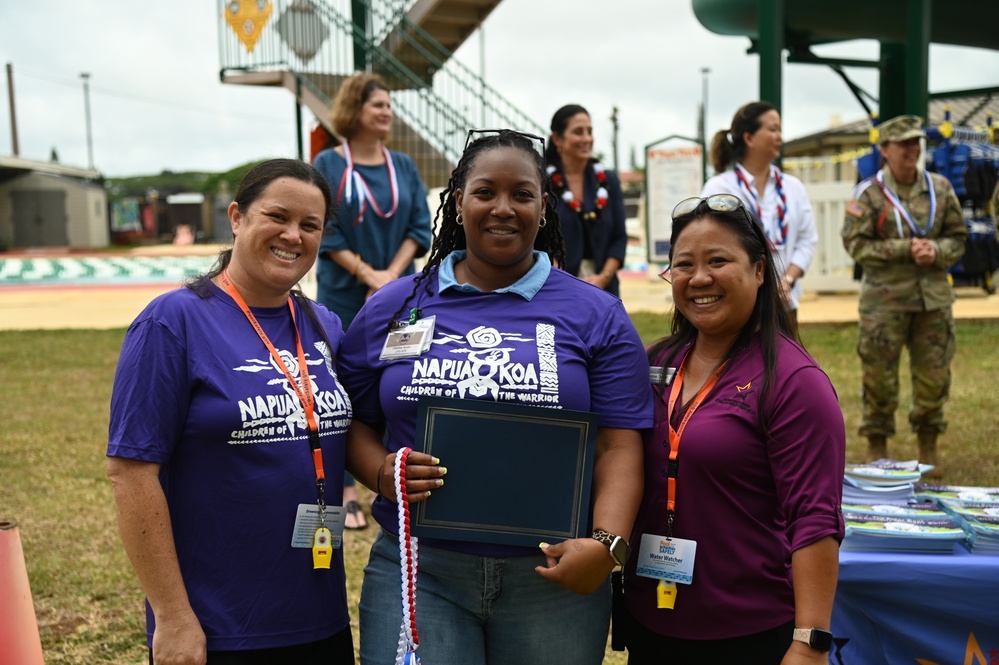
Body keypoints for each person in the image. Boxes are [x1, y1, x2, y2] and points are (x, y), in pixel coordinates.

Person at [338, 129, 654, 664]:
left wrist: (605, 545)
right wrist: (381, 472)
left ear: (543, 206)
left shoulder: (596, 314)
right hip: (419, 569)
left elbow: (618, 446)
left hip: (553, 576)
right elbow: (352, 422)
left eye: (522, 194)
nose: (503, 208)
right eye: (485, 192)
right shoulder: (393, 306)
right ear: (458, 201)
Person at [107, 159, 355, 665]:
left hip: (319, 617)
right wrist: (173, 618)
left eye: (310, 225)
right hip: (217, 627)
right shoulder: (171, 321)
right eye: (277, 216)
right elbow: (131, 473)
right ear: (238, 216)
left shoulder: (324, 323)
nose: (293, 235)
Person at [622, 194, 845, 664]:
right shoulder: (654, 363)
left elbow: (815, 523)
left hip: (750, 634)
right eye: (683, 265)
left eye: (718, 261)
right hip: (652, 623)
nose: (699, 278)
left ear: (761, 270)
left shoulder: (794, 382)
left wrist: (809, 645)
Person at [313, 72, 433, 529]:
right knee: (343, 389)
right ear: (354, 110)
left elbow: (419, 227)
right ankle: (344, 493)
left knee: (395, 381)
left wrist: (389, 279)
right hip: (346, 295)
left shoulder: (402, 165)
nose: (386, 111)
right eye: (377, 104)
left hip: (400, 300)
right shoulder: (329, 161)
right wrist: (368, 275)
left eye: (388, 104)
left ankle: (389, 474)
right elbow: (327, 228)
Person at [842, 114, 967, 472]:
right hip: (884, 303)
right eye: (904, 144)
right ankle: (877, 449)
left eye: (917, 143)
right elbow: (854, 243)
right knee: (878, 377)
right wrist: (903, 249)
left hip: (932, 300)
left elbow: (958, 237)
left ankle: (928, 448)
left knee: (934, 375)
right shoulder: (869, 193)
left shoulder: (940, 188)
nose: (913, 150)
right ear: (885, 150)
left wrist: (938, 251)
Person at [702, 101, 819, 320]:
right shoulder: (720, 189)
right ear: (749, 138)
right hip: (738, 308)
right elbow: (712, 247)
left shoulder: (793, 188)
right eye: (773, 129)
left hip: (785, 304)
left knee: (783, 355)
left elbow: (808, 240)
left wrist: (788, 280)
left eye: (780, 130)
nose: (780, 137)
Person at [545, 104, 629, 295]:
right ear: (557, 139)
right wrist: (558, 275)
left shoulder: (608, 181)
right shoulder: (543, 183)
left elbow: (619, 237)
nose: (587, 139)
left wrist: (603, 277)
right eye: (578, 132)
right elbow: (539, 239)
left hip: (604, 287)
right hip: (557, 285)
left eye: (589, 131)